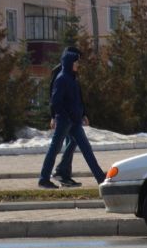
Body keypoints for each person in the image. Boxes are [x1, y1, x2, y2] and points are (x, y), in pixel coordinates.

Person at [37, 46, 104, 188]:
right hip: (65, 121)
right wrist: (62, 116)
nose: (78, 65)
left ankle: (100, 178)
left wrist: (83, 113)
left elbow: (78, 99)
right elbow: (55, 101)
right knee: (54, 149)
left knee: (87, 149)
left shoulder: (72, 78)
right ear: (69, 63)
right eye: (76, 62)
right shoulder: (61, 78)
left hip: (75, 121)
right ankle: (44, 179)